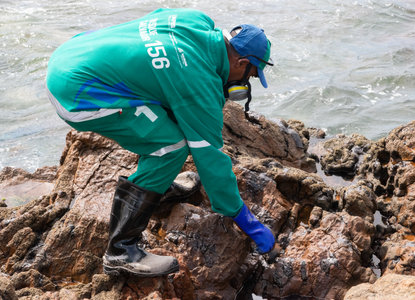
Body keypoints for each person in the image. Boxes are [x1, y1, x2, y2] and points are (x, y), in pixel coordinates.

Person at [46, 8, 275, 277]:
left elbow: (158, 25)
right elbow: (209, 156)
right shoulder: (198, 80)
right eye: (249, 75)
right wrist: (245, 220)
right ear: (241, 62)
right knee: (172, 146)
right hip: (77, 93)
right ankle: (120, 251)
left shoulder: (195, 20)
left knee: (165, 117)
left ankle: (159, 186)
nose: (245, 82)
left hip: (72, 53)